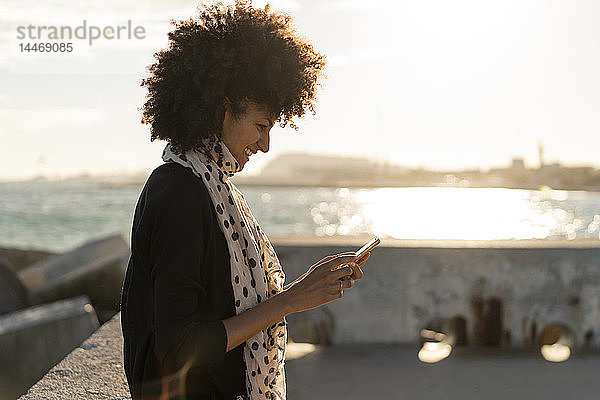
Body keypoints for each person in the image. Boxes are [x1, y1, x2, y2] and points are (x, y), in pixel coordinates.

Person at [120, 2, 370, 399]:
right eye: (260, 126)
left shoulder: (212, 186)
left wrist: (308, 286)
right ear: (222, 108)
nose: (266, 144)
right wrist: (291, 299)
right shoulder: (180, 192)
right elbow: (177, 347)